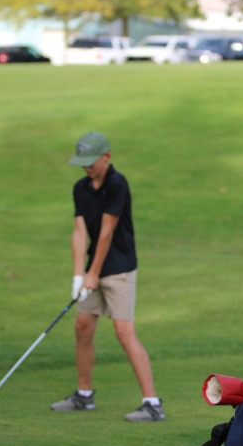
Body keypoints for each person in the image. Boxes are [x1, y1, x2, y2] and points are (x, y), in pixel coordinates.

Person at [51, 131, 164, 422]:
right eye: (83, 163)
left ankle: (152, 404)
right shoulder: (80, 188)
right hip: (93, 271)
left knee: (124, 332)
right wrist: (78, 275)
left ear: (106, 157)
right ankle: (84, 395)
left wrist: (92, 273)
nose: (86, 167)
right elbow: (80, 232)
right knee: (82, 326)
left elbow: (106, 231)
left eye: (91, 162)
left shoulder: (117, 184)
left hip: (119, 270)